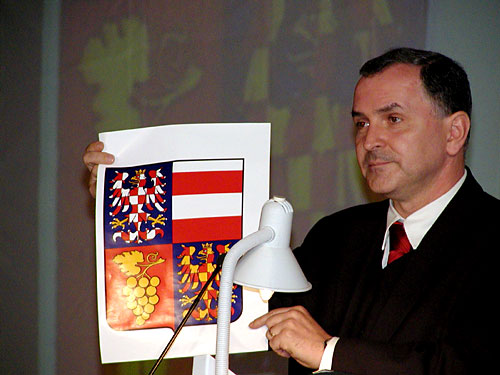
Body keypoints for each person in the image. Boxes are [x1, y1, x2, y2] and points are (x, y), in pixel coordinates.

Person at [84, 48, 499, 375]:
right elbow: (224, 301)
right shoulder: (335, 236)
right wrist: (125, 201)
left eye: (392, 118)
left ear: (454, 132)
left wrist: (328, 351)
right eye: (361, 123)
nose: (370, 140)